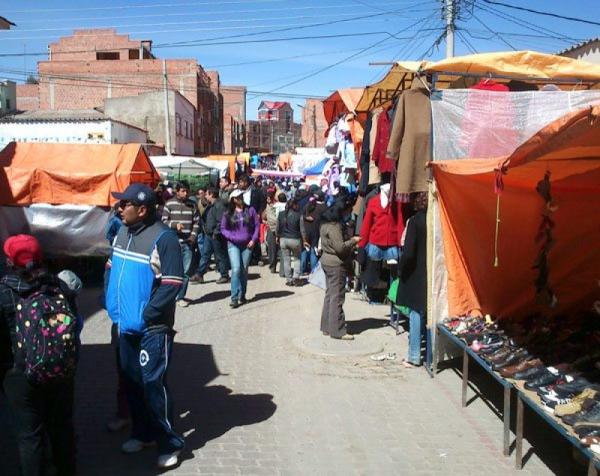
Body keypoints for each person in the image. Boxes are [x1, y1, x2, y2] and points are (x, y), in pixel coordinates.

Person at [105, 183, 185, 469]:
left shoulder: (164, 239)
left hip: (152, 329)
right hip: (123, 324)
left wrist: (147, 314)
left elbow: (173, 283)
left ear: (142, 209)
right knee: (132, 382)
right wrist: (110, 302)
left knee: (153, 385)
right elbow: (111, 268)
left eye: (124, 204)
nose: (119, 207)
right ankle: (142, 433)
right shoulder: (122, 232)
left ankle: (169, 442)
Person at [1, 234, 80, 476]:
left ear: (10, 261)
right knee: (62, 428)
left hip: (20, 374)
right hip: (60, 369)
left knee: (29, 437)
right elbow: (74, 327)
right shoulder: (59, 287)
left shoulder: (5, 292)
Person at [319, 196, 361, 340]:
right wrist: (353, 241)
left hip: (327, 261)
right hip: (335, 264)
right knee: (337, 296)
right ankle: (337, 330)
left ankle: (327, 326)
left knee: (330, 295)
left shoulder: (325, 224)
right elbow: (340, 248)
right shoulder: (335, 227)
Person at [397, 192, 428, 368]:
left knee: (415, 313)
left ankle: (414, 355)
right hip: (432, 272)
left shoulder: (416, 221)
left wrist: (402, 269)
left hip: (416, 273)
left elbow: (408, 252)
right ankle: (429, 356)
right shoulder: (436, 221)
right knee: (429, 314)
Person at [161, 181, 199, 307]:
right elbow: (163, 221)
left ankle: (181, 297)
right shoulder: (169, 204)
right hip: (173, 243)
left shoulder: (192, 205)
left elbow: (197, 222)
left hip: (188, 243)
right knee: (171, 271)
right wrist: (174, 225)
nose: (185, 193)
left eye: (187, 191)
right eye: (183, 191)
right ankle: (169, 296)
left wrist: (193, 237)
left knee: (186, 271)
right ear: (177, 191)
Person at [220, 189, 260, 309]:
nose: (241, 199)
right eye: (238, 197)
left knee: (244, 270)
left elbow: (257, 226)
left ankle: (242, 295)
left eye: (241, 196)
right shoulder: (228, 213)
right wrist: (231, 237)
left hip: (247, 245)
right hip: (233, 245)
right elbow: (223, 228)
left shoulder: (250, 210)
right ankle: (234, 297)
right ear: (233, 200)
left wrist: (253, 239)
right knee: (236, 269)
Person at [192, 187, 230, 284]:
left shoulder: (219, 205)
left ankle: (224, 275)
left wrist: (216, 232)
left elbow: (221, 221)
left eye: (207, 194)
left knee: (220, 255)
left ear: (212, 195)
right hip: (209, 235)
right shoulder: (211, 205)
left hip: (216, 235)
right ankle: (199, 274)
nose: (205, 196)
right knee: (205, 254)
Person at [277, 197, 305, 286]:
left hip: (283, 239)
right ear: (295, 205)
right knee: (297, 259)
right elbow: (302, 230)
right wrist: (304, 240)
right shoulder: (298, 215)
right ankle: (296, 278)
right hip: (295, 239)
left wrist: (277, 237)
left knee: (286, 260)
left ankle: (289, 279)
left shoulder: (281, 214)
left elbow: (278, 228)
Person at [301, 191, 327, 274]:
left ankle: (302, 269)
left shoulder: (308, 205)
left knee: (304, 249)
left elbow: (303, 215)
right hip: (316, 230)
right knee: (313, 251)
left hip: (306, 230)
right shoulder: (324, 207)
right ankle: (314, 271)